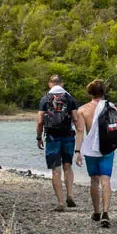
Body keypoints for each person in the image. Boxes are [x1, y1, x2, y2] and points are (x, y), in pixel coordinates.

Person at [36, 74, 83, 212]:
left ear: (50, 84)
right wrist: (80, 133)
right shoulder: (69, 98)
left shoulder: (45, 99)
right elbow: (75, 118)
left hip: (52, 138)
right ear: (61, 84)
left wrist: (39, 137)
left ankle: (61, 202)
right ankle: (70, 195)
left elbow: (39, 121)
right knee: (67, 167)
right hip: (68, 137)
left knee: (56, 170)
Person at [78, 79, 116, 228]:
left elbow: (80, 132)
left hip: (90, 150)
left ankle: (96, 212)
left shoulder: (82, 110)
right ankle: (106, 212)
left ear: (89, 93)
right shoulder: (110, 106)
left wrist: (77, 151)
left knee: (94, 180)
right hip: (107, 148)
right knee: (105, 180)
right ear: (104, 92)